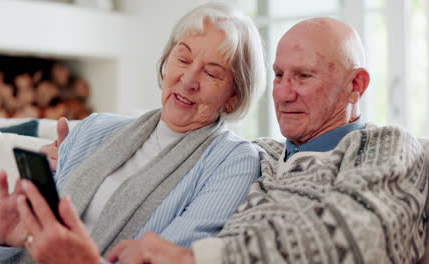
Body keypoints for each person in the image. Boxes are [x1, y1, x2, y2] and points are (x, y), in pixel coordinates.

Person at [103, 17, 429, 264]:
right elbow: (174, 145)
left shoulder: (388, 148)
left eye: (303, 76)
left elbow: (356, 237)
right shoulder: (258, 154)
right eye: (278, 75)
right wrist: (98, 145)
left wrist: (193, 259)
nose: (283, 94)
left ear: (356, 85)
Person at [0, 3, 267, 263]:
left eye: (212, 72)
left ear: (234, 97)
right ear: (166, 61)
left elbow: (171, 258)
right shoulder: (96, 128)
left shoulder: (235, 160)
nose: (188, 79)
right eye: (183, 59)